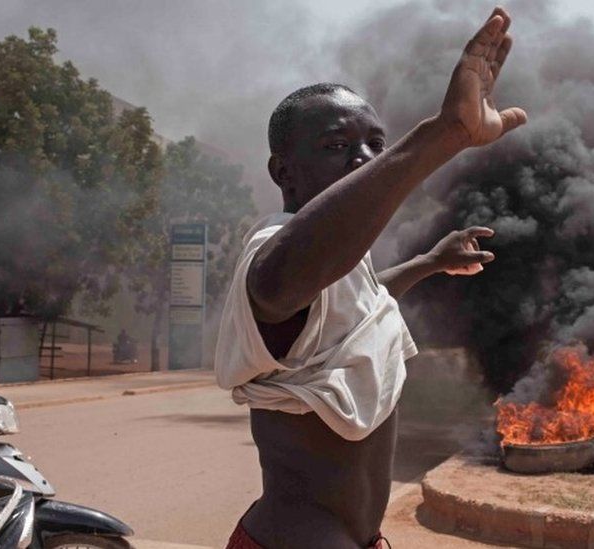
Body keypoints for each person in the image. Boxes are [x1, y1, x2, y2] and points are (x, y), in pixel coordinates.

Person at [215, 6, 526, 548]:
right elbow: (276, 287)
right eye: (337, 147)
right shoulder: (273, 250)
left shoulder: (339, 267)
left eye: (375, 146)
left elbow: (365, 300)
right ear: (282, 172)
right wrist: (442, 135)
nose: (362, 159)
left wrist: (429, 263)